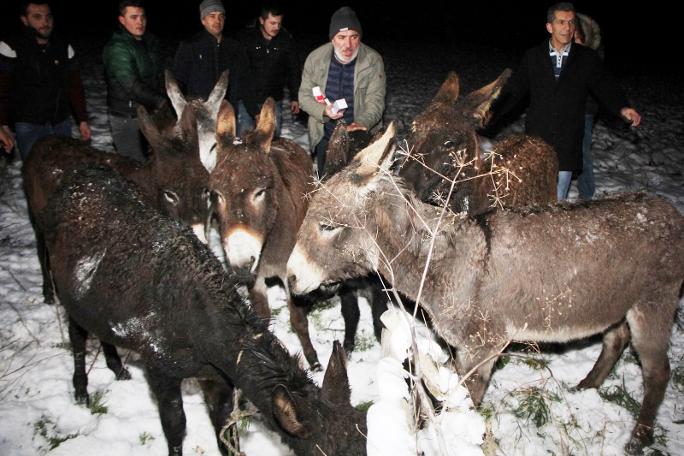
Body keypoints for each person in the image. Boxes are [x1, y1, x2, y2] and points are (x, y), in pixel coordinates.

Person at [494, 2, 641, 201]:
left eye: (571, 22)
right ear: (550, 27)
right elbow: (515, 89)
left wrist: (622, 107)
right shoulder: (533, 57)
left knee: (558, 198)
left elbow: (605, 84)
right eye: (561, 22)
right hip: (539, 135)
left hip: (568, 137)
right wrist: (492, 110)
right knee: (535, 193)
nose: (567, 27)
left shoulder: (586, 58)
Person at [299, 6, 386, 174]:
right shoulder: (315, 59)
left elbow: (376, 100)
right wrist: (323, 110)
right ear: (332, 38)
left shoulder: (373, 60)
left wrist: (361, 123)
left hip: (360, 136)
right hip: (325, 136)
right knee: (326, 184)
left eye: (354, 37)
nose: (348, 45)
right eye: (342, 37)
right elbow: (304, 96)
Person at [0, 1, 91, 160]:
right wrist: (2, 124)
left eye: (48, 16)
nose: (45, 22)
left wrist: (82, 119)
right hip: (28, 125)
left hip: (60, 123)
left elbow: (75, 85)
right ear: (25, 20)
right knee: (36, 175)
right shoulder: (10, 46)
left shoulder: (63, 46)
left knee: (64, 171)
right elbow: (2, 89)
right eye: (37, 17)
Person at [172, 0, 258, 133]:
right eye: (212, 16)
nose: (217, 20)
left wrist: (254, 112)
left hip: (227, 115)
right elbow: (178, 83)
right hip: (200, 117)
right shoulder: (190, 46)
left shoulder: (235, 48)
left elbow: (246, 82)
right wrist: (181, 115)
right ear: (203, 20)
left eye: (220, 16)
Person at [103, 0, 166, 162]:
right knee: (133, 166)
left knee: (152, 163)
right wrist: (162, 102)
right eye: (134, 17)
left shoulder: (150, 42)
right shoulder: (117, 48)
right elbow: (132, 86)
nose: (140, 22)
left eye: (142, 17)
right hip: (127, 117)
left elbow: (158, 76)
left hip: (148, 114)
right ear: (122, 20)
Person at [238, 4, 301, 138]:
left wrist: (295, 97)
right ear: (262, 20)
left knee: (272, 138)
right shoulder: (247, 39)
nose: (276, 27)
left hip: (274, 99)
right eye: (272, 23)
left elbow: (293, 71)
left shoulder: (286, 41)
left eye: (279, 23)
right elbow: (242, 74)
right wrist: (252, 110)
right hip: (249, 100)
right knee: (245, 138)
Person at [574, 12, 603, 200]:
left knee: (582, 152)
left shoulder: (591, 58)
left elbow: (601, 87)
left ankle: (586, 196)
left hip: (584, 111)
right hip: (562, 111)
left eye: (577, 35)